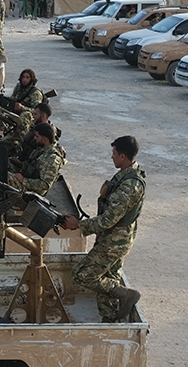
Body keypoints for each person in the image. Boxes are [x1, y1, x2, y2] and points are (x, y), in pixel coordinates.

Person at [59, 136, 145, 322]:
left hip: (115, 241)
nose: (111, 157)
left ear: (122, 156)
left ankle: (126, 295)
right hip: (114, 238)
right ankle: (109, 318)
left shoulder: (129, 185)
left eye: (114, 153)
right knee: (107, 277)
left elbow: (108, 220)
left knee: (82, 274)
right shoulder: (124, 176)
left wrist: (78, 225)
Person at [7, 122, 65, 196]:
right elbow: (33, 168)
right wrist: (20, 164)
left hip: (32, 191)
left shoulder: (51, 159)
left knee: (4, 177)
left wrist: (23, 180)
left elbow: (45, 185)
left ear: (44, 139)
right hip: (27, 177)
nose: (34, 138)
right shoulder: (42, 150)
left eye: (37, 136)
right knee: (4, 163)